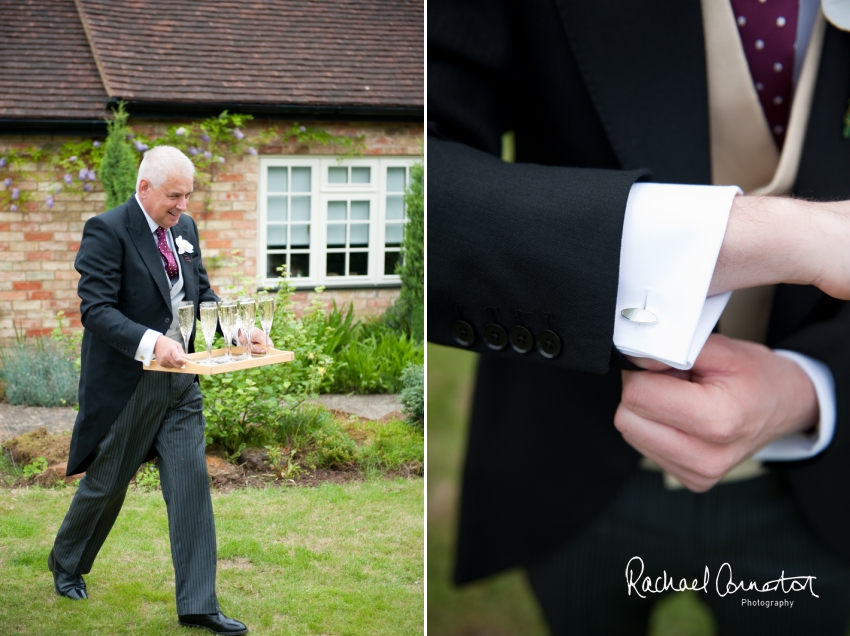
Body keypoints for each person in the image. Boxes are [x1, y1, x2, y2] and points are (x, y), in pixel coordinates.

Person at [429, 0, 850, 633]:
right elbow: (418, 169)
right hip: (573, 459)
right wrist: (758, 236)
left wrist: (810, 391)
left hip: (827, 491)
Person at [49, 146, 267, 635]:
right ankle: (67, 561)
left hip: (182, 385)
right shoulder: (106, 230)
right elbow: (96, 309)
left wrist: (238, 332)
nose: (183, 205)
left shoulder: (184, 230)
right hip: (131, 385)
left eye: (188, 195)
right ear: (144, 188)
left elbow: (201, 296)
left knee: (191, 487)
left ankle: (198, 605)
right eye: (174, 195)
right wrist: (153, 344)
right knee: (106, 484)